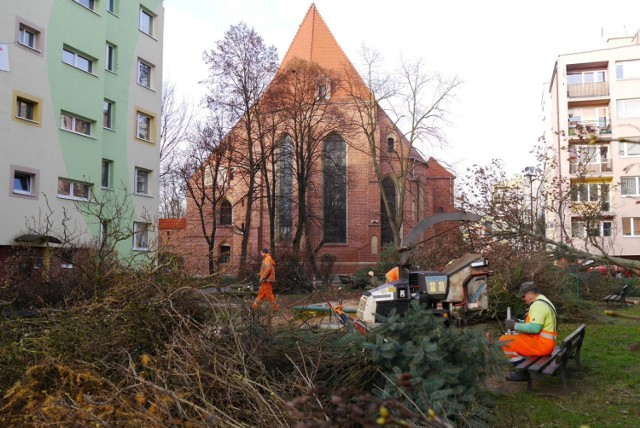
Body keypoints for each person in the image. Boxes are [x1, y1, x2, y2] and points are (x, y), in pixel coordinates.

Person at [499, 281, 558, 381]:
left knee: (504, 341)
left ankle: (523, 372)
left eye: (523, 296)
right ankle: (522, 368)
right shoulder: (544, 301)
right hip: (545, 342)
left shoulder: (538, 306)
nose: (523, 299)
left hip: (542, 345)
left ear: (531, 294)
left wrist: (514, 325)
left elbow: (535, 329)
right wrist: (520, 321)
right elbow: (538, 324)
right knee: (512, 337)